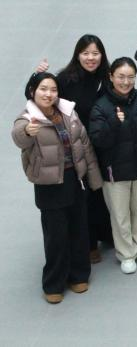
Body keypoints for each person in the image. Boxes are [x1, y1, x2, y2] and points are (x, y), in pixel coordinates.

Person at [12, 72, 103, 304]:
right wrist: (27, 132)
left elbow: (85, 145)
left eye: (53, 89)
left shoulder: (68, 111)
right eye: (43, 89)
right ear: (32, 91)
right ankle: (54, 283)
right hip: (49, 185)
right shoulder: (28, 118)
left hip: (75, 179)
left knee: (79, 230)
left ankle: (79, 275)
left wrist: (94, 179)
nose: (49, 94)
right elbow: (19, 137)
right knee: (56, 236)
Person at [36, 35, 114, 264]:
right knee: (86, 196)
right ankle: (89, 244)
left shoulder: (107, 77)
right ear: (77, 55)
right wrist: (37, 76)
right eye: (85, 53)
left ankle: (106, 233)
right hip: (78, 147)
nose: (91, 58)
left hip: (103, 144)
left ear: (102, 55)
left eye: (95, 53)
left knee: (101, 193)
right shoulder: (65, 79)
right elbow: (42, 98)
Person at [88, 58, 137, 275]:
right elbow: (98, 140)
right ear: (111, 77)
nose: (126, 82)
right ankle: (127, 253)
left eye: (130, 77)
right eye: (121, 76)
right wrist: (114, 122)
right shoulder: (101, 106)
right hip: (115, 172)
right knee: (120, 215)